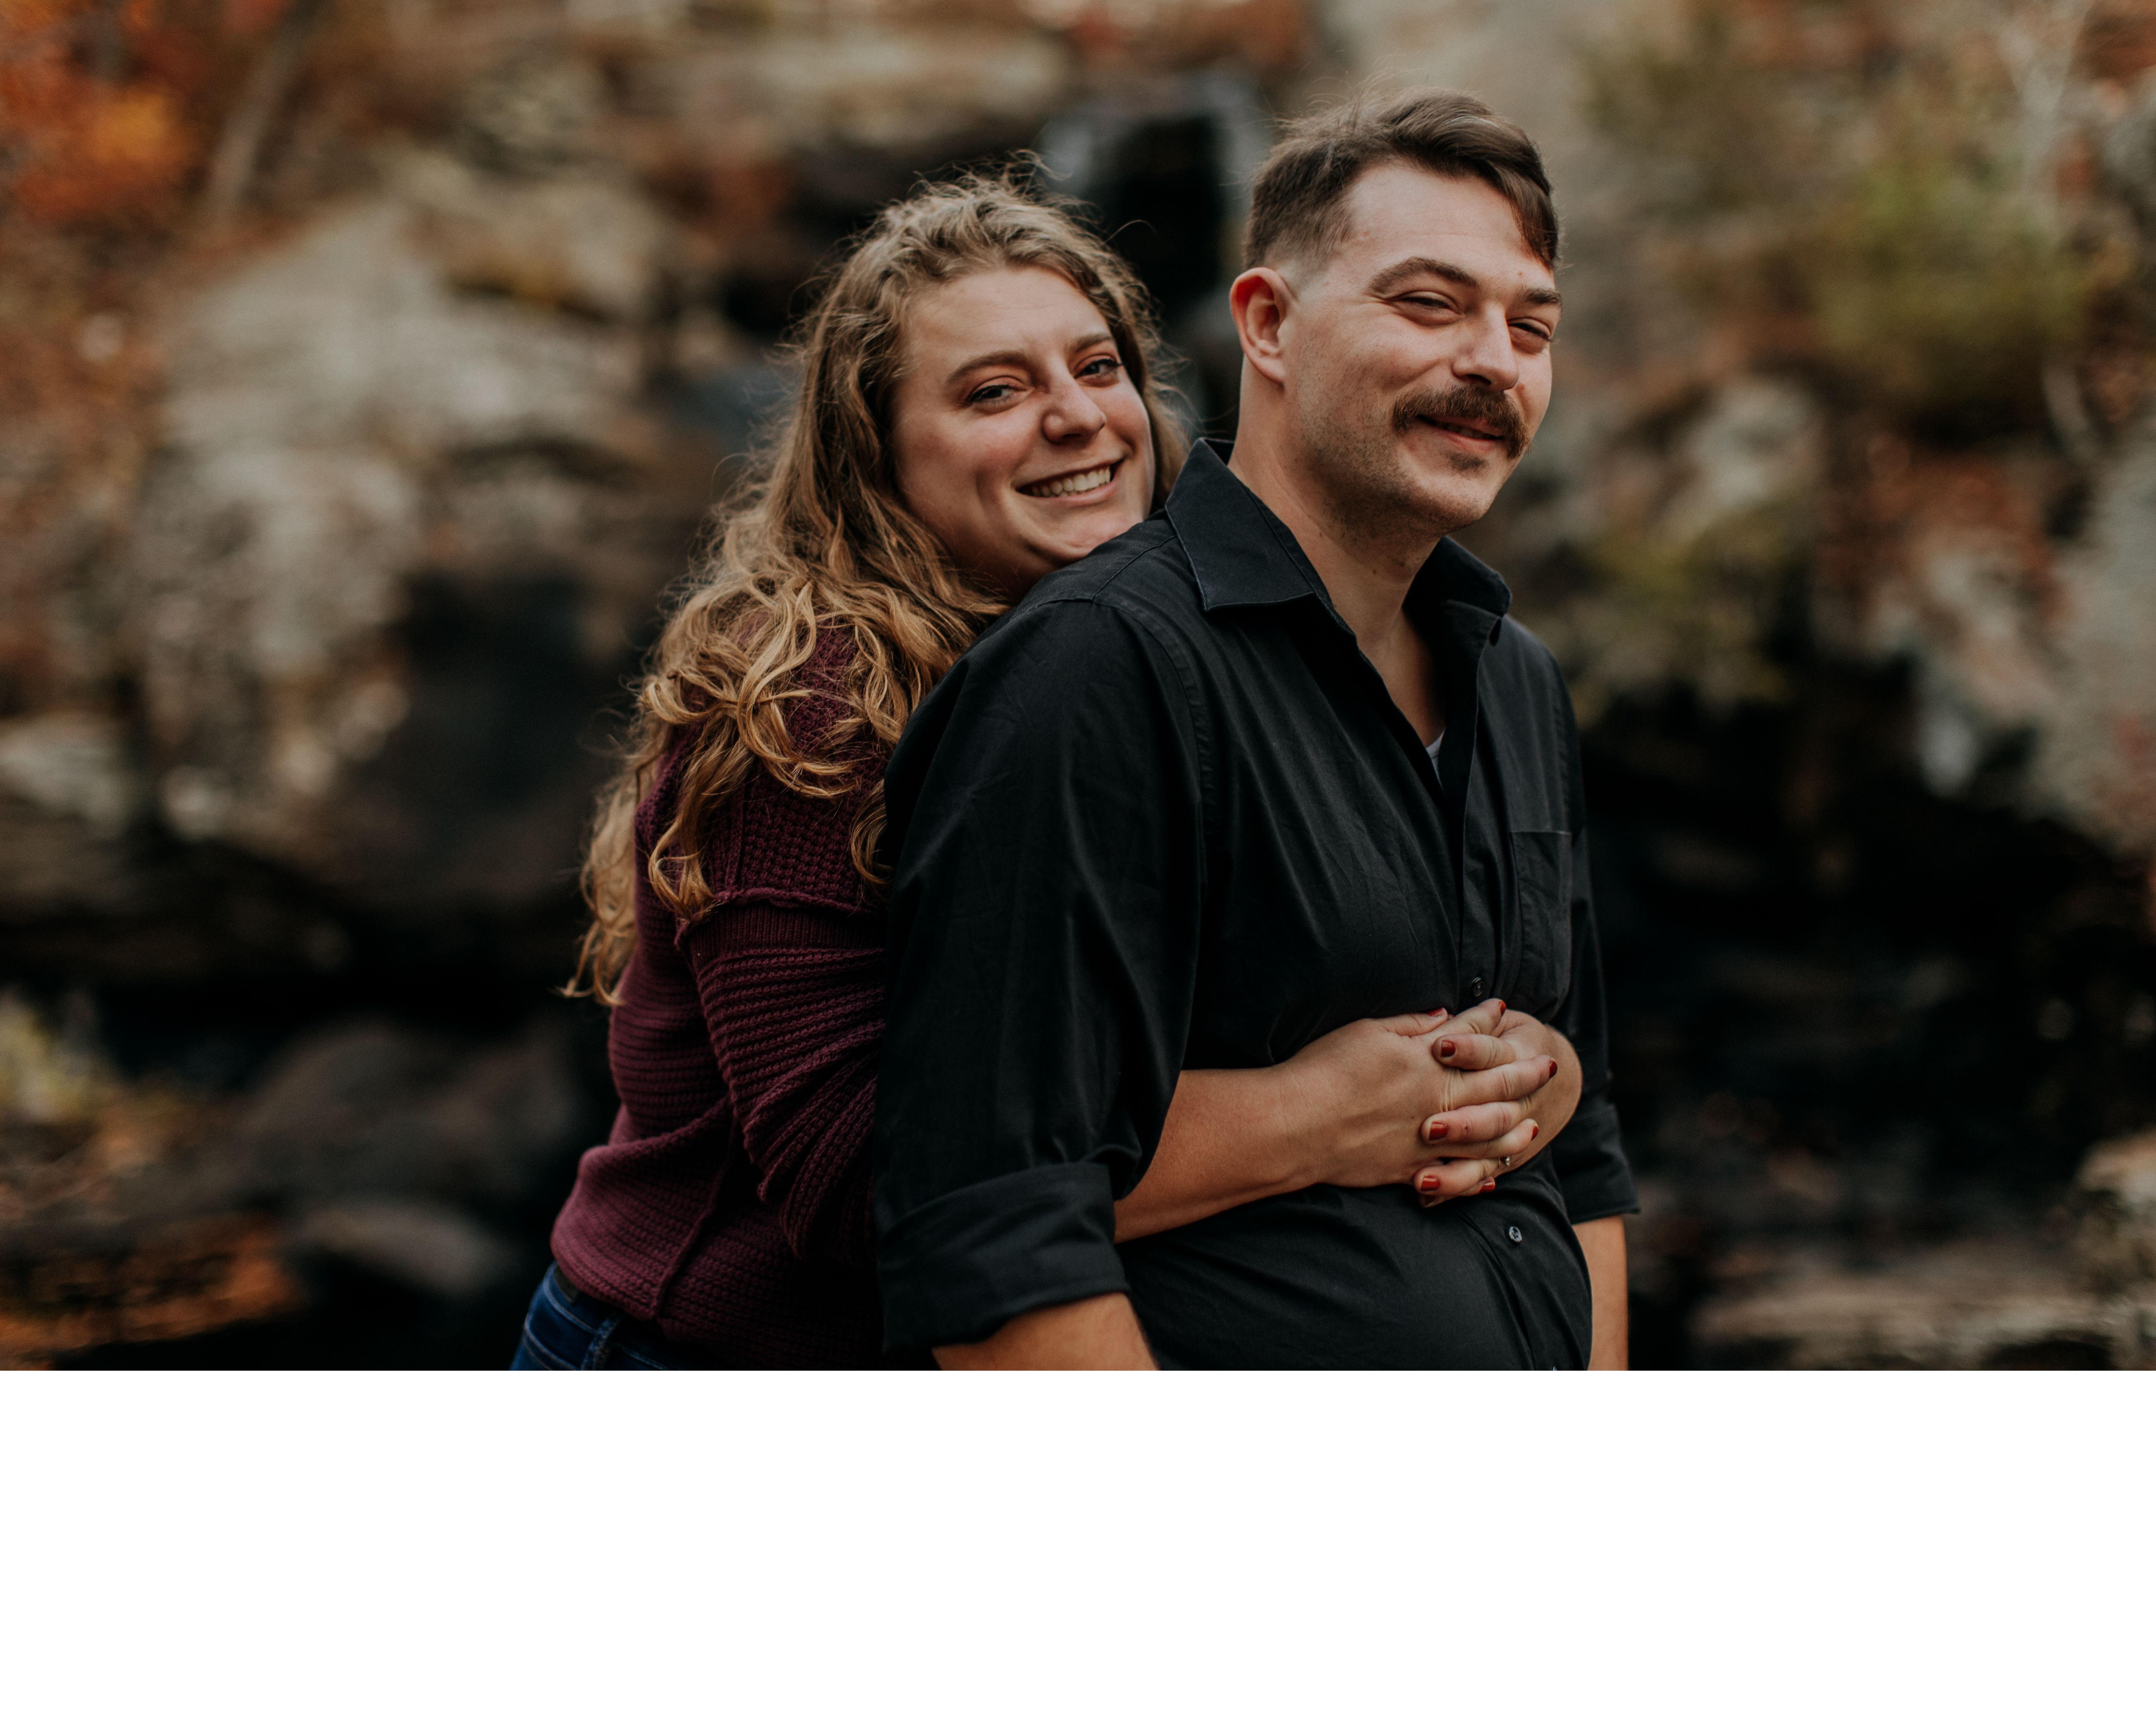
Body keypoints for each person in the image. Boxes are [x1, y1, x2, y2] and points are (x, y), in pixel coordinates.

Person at [515, 172, 1576, 1370]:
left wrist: (1541, 1077)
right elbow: (869, 1179)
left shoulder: (1203, 654)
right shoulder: (810, 702)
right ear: (874, 454)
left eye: (1099, 368)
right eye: (996, 391)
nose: (1078, 419)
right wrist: (1318, 1116)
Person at [872, 92, 1637, 1370]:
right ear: (1268, 325)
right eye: (1430, 305)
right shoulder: (1099, 668)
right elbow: (996, 1234)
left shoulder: (1519, 683)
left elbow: (1587, 1146)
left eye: (1531, 326)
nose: (1494, 362)